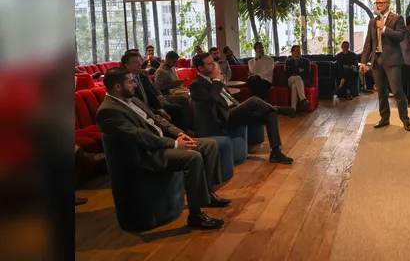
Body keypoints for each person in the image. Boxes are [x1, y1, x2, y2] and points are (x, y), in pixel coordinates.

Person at [96, 67, 229, 229]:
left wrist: (180, 134)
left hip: (163, 142)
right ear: (117, 87)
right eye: (130, 82)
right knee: (193, 156)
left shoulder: (133, 100)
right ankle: (196, 215)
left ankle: (208, 194)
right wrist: (173, 144)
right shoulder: (108, 111)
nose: (135, 85)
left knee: (209, 145)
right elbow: (139, 136)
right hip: (148, 153)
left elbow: (159, 120)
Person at [189, 53, 295, 164]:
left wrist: (217, 80)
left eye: (213, 62)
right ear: (200, 68)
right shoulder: (196, 85)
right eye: (210, 64)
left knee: (269, 114)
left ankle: (276, 153)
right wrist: (216, 80)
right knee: (254, 100)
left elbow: (227, 97)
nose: (214, 66)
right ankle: (277, 109)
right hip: (224, 118)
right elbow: (212, 100)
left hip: (234, 111)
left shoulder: (214, 79)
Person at [360, 0, 410, 131]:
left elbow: (400, 36)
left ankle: (405, 120)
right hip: (377, 61)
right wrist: (364, 62)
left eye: (381, 3)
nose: (378, 5)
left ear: (388, 3)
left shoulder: (397, 18)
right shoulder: (373, 21)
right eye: (377, 3)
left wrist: (384, 28)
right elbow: (368, 43)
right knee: (381, 92)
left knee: (397, 91)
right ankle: (384, 118)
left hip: (392, 61)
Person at [122, 51, 192, 130]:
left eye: (140, 61)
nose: (140, 64)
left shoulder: (142, 75)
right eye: (135, 62)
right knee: (180, 102)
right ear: (126, 65)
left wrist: (160, 108)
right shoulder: (124, 81)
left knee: (176, 108)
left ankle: (183, 132)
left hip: (152, 104)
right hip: (141, 109)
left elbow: (152, 91)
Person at [285, 45, 312, 110]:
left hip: (303, 80)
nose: (298, 52)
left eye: (299, 51)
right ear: (292, 52)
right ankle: (303, 99)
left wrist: (295, 73)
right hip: (290, 80)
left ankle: (293, 109)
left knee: (294, 85)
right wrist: (299, 72)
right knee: (297, 78)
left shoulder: (306, 61)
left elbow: (307, 74)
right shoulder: (288, 61)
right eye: (296, 51)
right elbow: (288, 73)